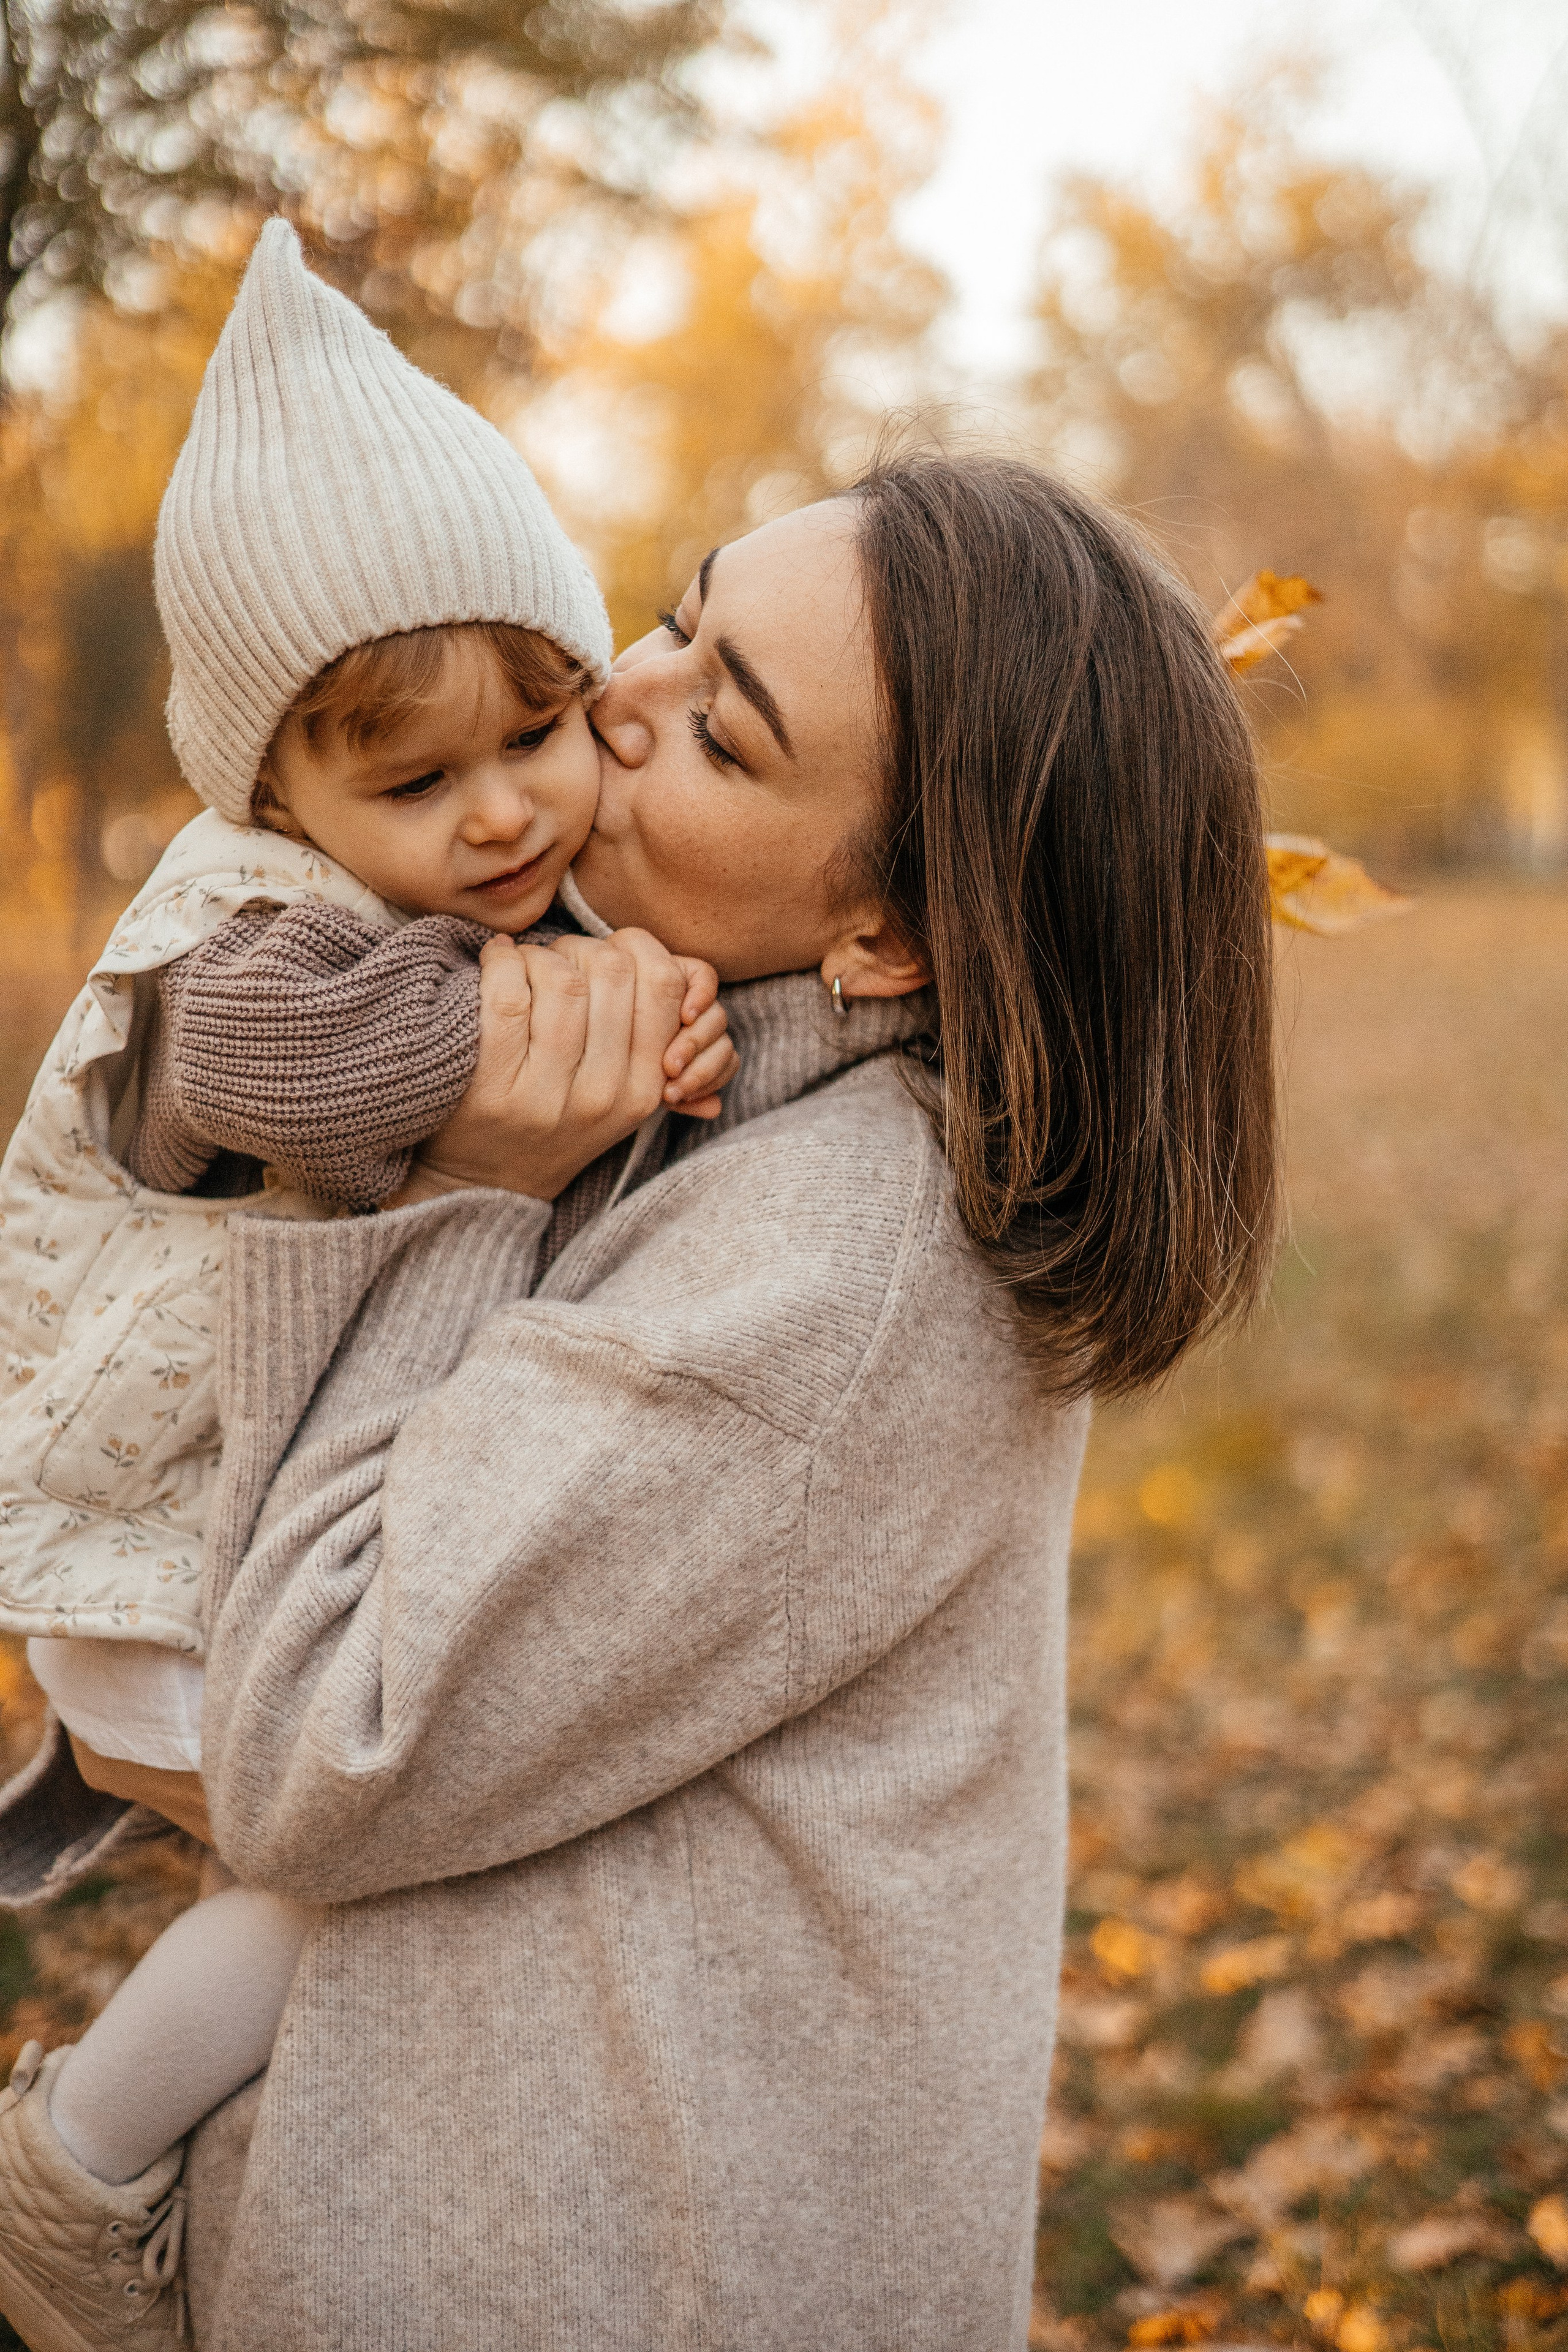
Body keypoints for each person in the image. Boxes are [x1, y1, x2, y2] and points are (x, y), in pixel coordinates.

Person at [6, 453, 1278, 2347]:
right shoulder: (706, 1055)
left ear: (889, 939)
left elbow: (323, 1745)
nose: (617, 694)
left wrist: (460, 1193)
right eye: (682, 616)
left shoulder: (833, 1268)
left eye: (721, 731)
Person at [0, 221, 736, 2349]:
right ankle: (76, 2170)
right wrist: (557, 1033)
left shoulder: (484, 884)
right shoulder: (244, 938)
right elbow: (287, 1074)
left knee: (376, 1878)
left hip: (248, 1534)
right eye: (415, 784)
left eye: (540, 730)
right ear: (277, 790)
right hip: (145, 1551)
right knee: (403, 1857)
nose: (502, 814)